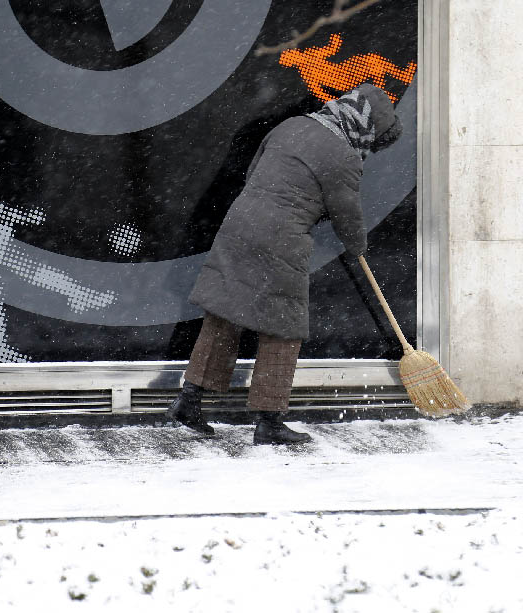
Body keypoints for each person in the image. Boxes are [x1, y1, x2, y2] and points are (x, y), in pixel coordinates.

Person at [168, 84, 403, 445]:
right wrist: (355, 244)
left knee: (225, 317)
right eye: (372, 141)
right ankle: (269, 420)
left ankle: (189, 401)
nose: (368, 149)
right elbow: (347, 214)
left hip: (239, 224)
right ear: (365, 126)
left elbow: (253, 172)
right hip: (281, 238)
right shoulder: (342, 155)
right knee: (283, 328)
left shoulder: (291, 125)